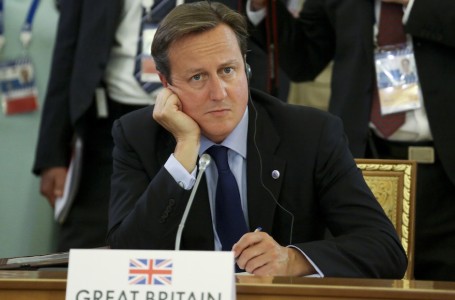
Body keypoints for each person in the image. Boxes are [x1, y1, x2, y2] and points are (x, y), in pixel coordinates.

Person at [107, 2, 406, 278]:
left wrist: (292, 260)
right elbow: (124, 261)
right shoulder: (137, 136)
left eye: (228, 70)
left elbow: (385, 250)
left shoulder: (310, 134)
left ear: (245, 68)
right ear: (166, 84)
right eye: (198, 77)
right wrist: (184, 151)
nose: (219, 93)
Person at [32, 0, 288, 252]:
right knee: (90, 248)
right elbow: (67, 51)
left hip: (206, 114)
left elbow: (245, 45)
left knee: (203, 238)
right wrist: (52, 153)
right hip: (107, 120)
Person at [247, 0, 455, 280]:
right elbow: (304, 59)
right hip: (364, 162)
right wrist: (264, 8)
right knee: (369, 279)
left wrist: (413, 5)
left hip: (444, 167)